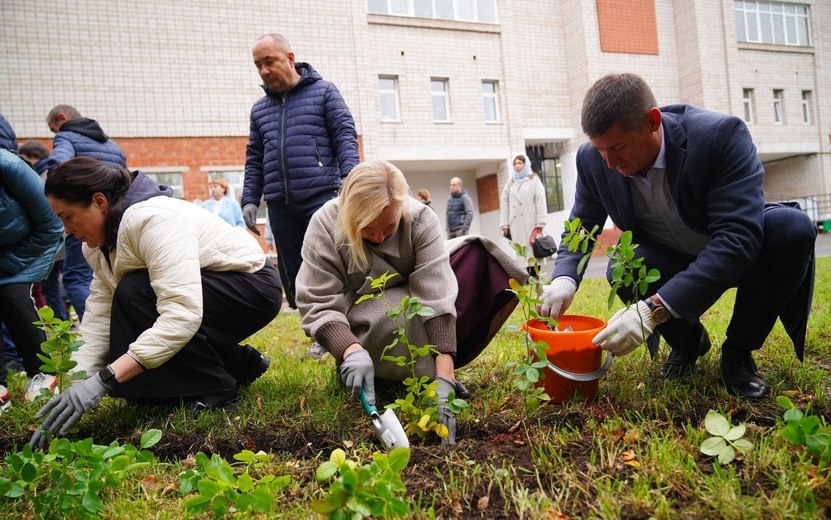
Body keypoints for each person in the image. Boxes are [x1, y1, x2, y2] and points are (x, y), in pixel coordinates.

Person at [539, 73, 816, 399]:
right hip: (672, 254)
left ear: (653, 122)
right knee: (625, 268)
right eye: (601, 151)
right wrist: (564, 279)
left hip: (738, 249)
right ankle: (689, 343)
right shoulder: (593, 160)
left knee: (793, 228)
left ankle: (738, 352)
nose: (610, 163)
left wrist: (652, 309)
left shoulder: (719, 136)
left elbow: (737, 239)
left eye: (617, 148)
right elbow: (582, 226)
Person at [31, 157, 283, 447]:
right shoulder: (99, 247)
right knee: (126, 313)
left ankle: (218, 391)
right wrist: (75, 385)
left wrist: (103, 380)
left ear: (99, 201)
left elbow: (181, 314)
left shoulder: (152, 220)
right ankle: (238, 364)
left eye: (68, 216)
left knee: (134, 292)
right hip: (209, 292)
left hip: (251, 286)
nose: (66, 229)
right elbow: (100, 318)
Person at [296, 160, 527, 444]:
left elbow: (437, 296)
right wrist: (349, 350)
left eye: (389, 227)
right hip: (362, 320)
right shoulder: (325, 224)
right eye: (368, 229)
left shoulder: (419, 219)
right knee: (397, 311)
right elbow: (317, 300)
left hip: (414, 307)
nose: (379, 237)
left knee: (470, 264)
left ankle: (429, 373)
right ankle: (380, 368)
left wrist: (445, 377)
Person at [241, 33, 359, 358]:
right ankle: (318, 332)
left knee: (326, 265)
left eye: (270, 62)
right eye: (258, 65)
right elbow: (254, 158)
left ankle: (341, 328)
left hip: (320, 194)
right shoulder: (260, 110)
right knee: (293, 274)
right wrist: (250, 198)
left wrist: (351, 178)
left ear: (290, 58)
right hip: (280, 202)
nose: (264, 71)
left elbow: (345, 134)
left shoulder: (324, 92)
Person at [47, 105, 127, 323]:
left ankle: (105, 336)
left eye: (54, 129)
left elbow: (58, 166)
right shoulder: (112, 145)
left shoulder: (66, 136)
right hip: (117, 218)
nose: (55, 134)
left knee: (76, 277)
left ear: (62, 118)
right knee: (112, 276)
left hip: (85, 216)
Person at [0, 149, 64, 412]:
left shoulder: (9, 167)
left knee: (13, 297)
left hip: (29, 246)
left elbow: (52, 226)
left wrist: (11, 265)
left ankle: (43, 374)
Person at [499, 153, 548, 262]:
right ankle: (526, 278)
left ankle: (536, 278)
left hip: (531, 223)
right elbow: (504, 203)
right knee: (521, 257)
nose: (517, 165)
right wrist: (504, 224)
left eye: (520, 163)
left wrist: (540, 223)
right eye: (515, 163)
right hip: (516, 224)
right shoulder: (510, 183)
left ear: (525, 164)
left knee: (533, 256)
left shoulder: (534, 180)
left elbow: (540, 201)